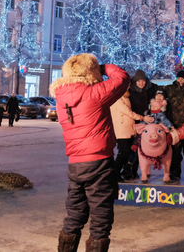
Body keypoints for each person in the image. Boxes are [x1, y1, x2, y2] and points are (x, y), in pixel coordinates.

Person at [52, 54, 130, 252]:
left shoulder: (61, 98)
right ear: (90, 72)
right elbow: (122, 78)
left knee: (74, 213)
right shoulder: (94, 93)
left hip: (75, 164)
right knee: (100, 218)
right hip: (99, 162)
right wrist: (103, 68)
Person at [110, 88, 151, 182]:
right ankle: (114, 173)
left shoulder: (126, 97)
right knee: (124, 153)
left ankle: (119, 172)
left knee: (127, 153)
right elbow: (127, 112)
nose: (127, 87)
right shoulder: (116, 99)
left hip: (128, 129)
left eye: (128, 85)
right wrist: (142, 118)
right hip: (121, 130)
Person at [125, 70, 159, 180]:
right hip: (133, 122)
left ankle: (135, 171)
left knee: (140, 148)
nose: (141, 83)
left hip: (145, 122)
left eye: (143, 81)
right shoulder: (130, 92)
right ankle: (129, 171)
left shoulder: (150, 90)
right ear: (135, 81)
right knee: (132, 148)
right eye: (139, 81)